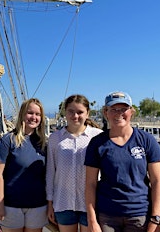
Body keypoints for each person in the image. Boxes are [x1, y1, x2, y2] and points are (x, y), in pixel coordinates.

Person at [84, 91, 160, 232]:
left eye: (123, 109)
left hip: (140, 215)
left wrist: (155, 218)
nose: (118, 113)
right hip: (107, 216)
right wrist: (92, 220)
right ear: (105, 112)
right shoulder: (97, 143)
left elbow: (157, 181)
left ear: (131, 112)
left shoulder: (147, 140)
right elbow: (90, 184)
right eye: (113, 109)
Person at [46, 94, 103, 232]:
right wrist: (50, 203)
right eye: (71, 111)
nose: (75, 116)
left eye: (80, 112)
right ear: (65, 112)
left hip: (90, 203)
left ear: (87, 113)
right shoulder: (55, 139)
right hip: (63, 201)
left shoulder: (98, 137)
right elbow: (50, 172)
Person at [0, 98, 48, 232]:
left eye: (37, 114)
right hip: (12, 205)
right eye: (30, 113)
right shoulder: (8, 140)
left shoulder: (44, 143)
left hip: (37, 205)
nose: (33, 117)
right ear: (22, 114)